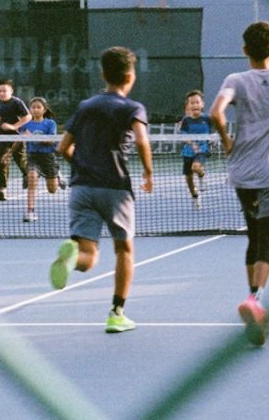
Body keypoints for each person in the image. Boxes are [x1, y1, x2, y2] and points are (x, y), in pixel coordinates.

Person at [209, 21, 269, 346]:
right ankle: (255, 300)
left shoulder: (234, 80)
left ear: (244, 51)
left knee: (253, 236)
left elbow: (216, 112)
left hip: (241, 172)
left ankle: (253, 300)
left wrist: (226, 139)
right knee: (267, 239)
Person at [50, 47, 153, 334]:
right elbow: (142, 141)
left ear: (102, 74)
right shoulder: (133, 108)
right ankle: (117, 313)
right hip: (115, 188)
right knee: (124, 250)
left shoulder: (85, 106)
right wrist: (147, 171)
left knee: (88, 258)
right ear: (130, 77)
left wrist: (81, 164)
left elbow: (62, 148)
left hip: (82, 188)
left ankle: (71, 260)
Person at [20, 97, 60, 223]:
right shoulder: (26, 124)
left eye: (38, 107)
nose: (35, 109)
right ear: (30, 109)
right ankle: (30, 212)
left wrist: (32, 137)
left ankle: (57, 175)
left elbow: (50, 141)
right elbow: (19, 139)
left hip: (48, 157)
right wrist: (9, 153)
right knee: (32, 180)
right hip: (33, 157)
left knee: (52, 190)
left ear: (44, 109)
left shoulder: (50, 123)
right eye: (33, 107)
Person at [0, 78, 29, 202]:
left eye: (4, 91)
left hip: (17, 137)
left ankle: (27, 174)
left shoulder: (17, 102)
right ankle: (2, 189)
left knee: (20, 161)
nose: (1, 93)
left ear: (11, 91)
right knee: (3, 161)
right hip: (3, 137)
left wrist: (14, 126)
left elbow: (28, 116)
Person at [178, 90, 211, 203]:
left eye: (197, 102)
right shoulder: (186, 121)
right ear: (188, 106)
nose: (195, 105)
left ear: (202, 104)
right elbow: (183, 135)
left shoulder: (208, 119)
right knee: (189, 179)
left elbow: (217, 130)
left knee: (196, 167)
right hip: (188, 151)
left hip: (202, 149)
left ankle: (202, 176)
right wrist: (192, 144)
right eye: (192, 103)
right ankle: (195, 196)